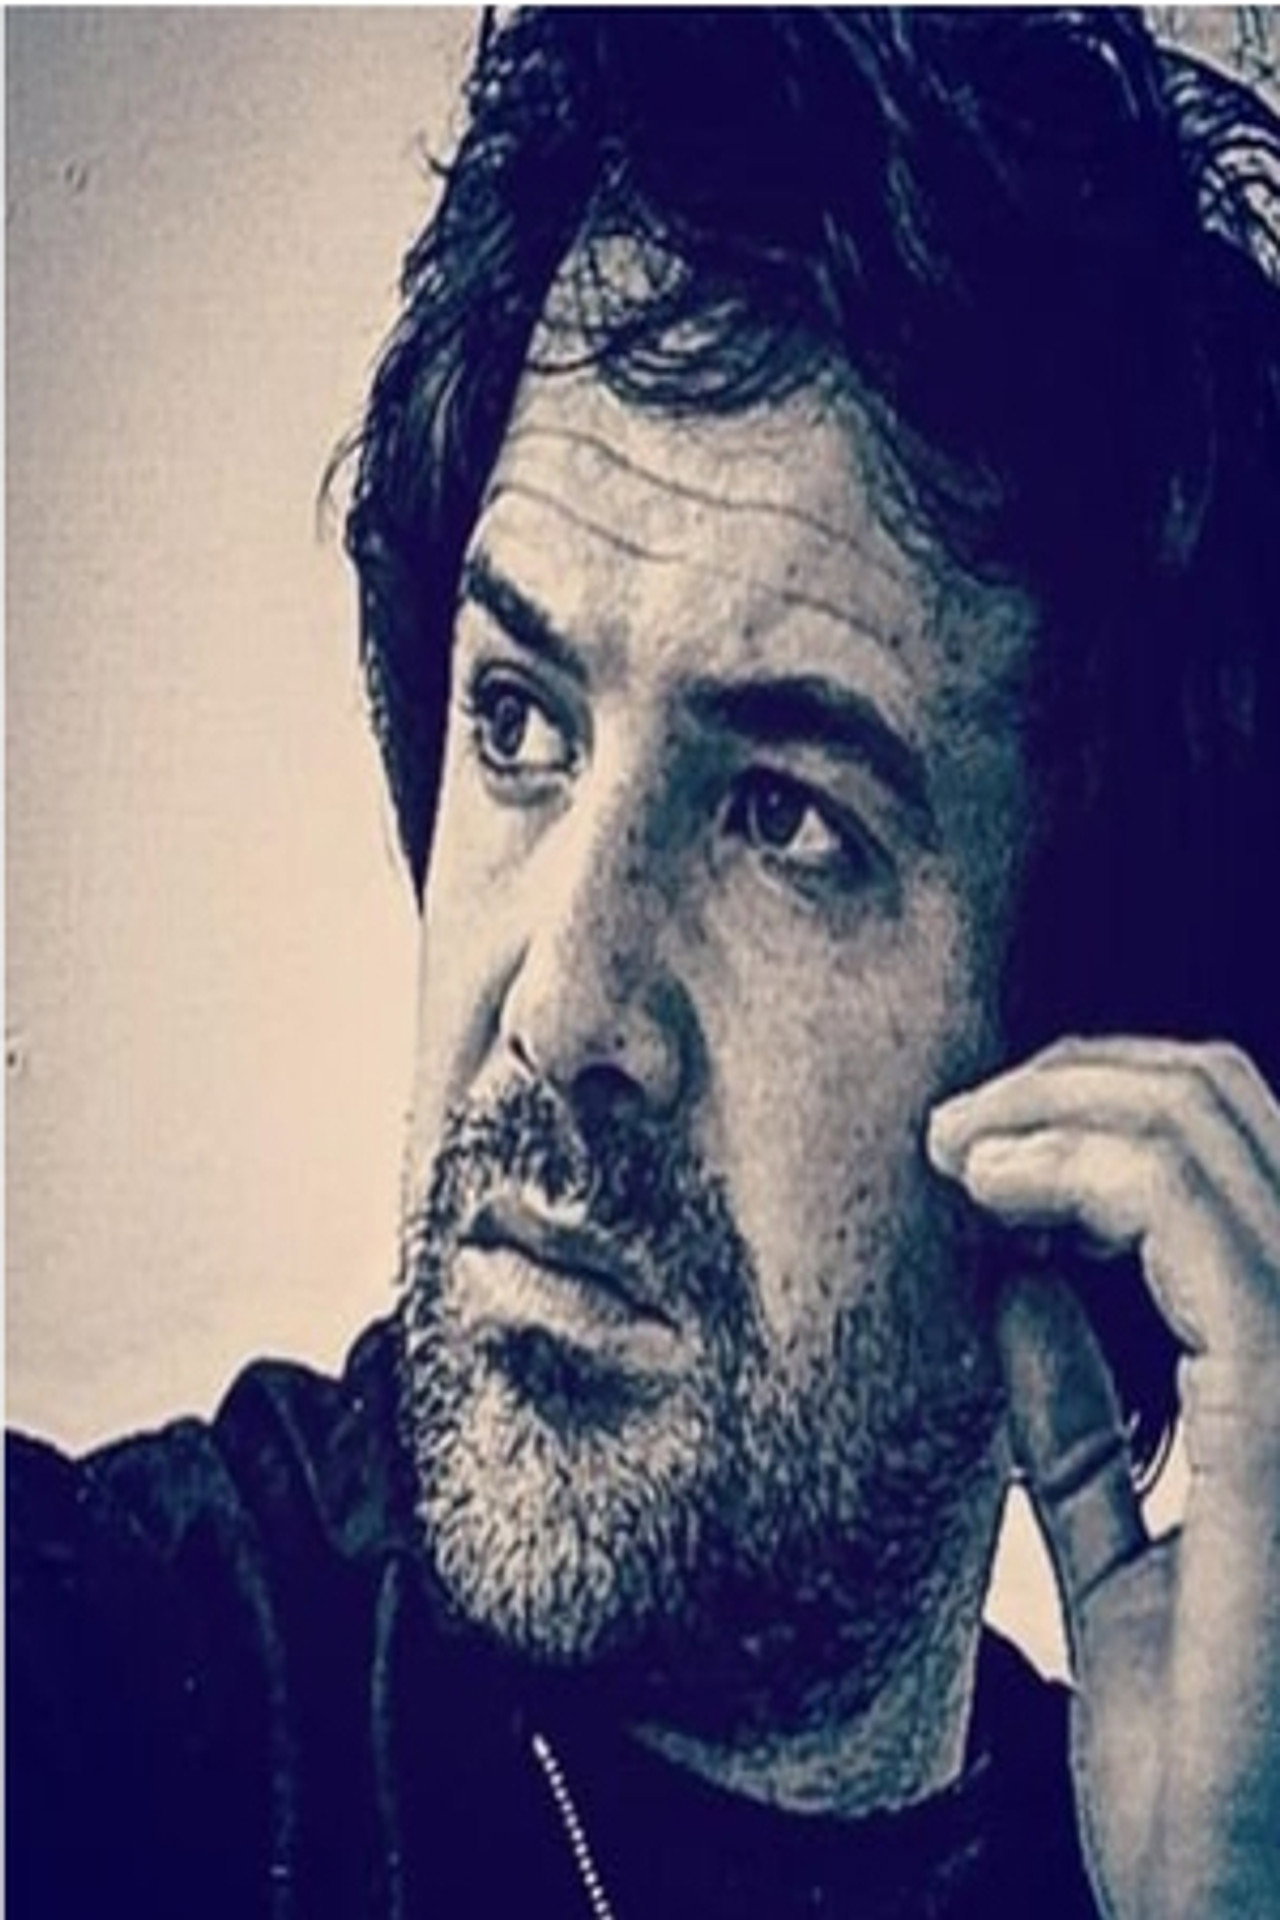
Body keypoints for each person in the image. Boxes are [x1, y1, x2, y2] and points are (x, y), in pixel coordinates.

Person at [9, 10, 1280, 1916]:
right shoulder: (89, 1698)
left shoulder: (1185, 1855)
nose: (558, 1008)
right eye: (518, 719)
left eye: (783, 816)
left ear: (1101, 1057)